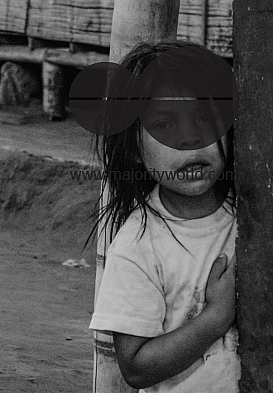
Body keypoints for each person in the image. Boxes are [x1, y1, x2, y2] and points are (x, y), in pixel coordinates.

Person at [88, 41, 239, 392]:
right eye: (165, 125)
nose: (190, 139)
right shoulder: (139, 246)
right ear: (136, 150)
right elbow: (136, 368)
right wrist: (217, 316)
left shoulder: (256, 211)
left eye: (204, 118)